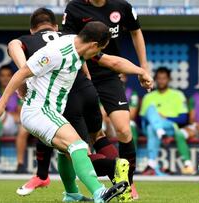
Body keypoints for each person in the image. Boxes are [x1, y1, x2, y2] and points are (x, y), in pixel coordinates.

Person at [0, 21, 152, 202]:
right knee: (78, 146)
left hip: (52, 112)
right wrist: (0, 105)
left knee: (66, 153)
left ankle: (72, 194)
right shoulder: (55, 53)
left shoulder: (78, 46)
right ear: (93, 45)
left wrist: (141, 72)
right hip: (39, 111)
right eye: (99, 49)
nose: (97, 54)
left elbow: (112, 61)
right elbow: (22, 72)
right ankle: (99, 192)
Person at [62, 0, 149, 198]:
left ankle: (128, 182)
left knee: (124, 129)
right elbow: (69, 42)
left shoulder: (122, 6)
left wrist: (144, 66)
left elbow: (136, 32)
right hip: (81, 76)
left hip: (110, 75)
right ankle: (118, 180)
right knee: (92, 136)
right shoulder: (74, 8)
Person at [139, 67, 189, 176]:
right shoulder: (148, 96)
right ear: (155, 80)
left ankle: (151, 163)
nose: (161, 81)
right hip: (152, 128)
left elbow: (184, 118)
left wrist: (164, 118)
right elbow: (142, 119)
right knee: (151, 111)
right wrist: (155, 119)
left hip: (170, 128)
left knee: (151, 127)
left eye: (164, 78)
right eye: (159, 78)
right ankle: (160, 132)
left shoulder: (178, 95)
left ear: (169, 79)